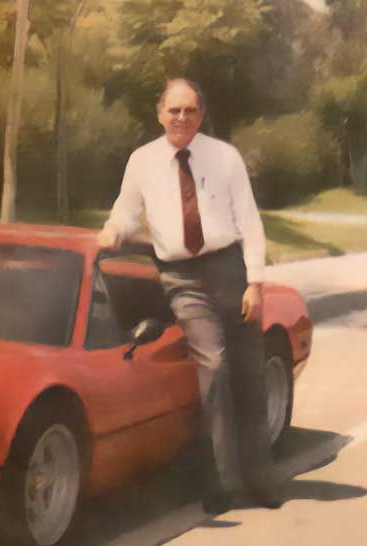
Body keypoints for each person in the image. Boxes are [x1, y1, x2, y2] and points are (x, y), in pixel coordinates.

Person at [98, 78, 282, 514]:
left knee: (249, 378)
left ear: (201, 114)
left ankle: (261, 480)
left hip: (231, 272)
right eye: (174, 110)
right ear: (159, 113)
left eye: (190, 111)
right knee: (214, 368)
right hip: (182, 278)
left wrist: (255, 282)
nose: (182, 118)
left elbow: (250, 223)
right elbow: (125, 212)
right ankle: (222, 483)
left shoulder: (225, 157)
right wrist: (113, 230)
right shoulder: (142, 161)